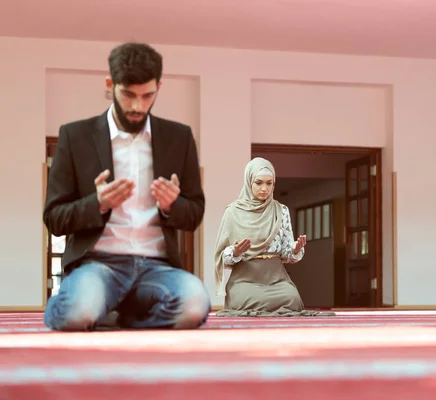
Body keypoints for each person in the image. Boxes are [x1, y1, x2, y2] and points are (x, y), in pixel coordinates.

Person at [43, 42, 210, 331]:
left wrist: (172, 205)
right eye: (128, 95)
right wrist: (97, 203)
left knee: (194, 307)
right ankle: (83, 302)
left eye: (147, 96)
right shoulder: (75, 136)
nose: (137, 106)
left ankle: (124, 317)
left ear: (159, 86)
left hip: (157, 267)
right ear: (111, 84)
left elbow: (194, 213)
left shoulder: (179, 138)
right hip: (98, 265)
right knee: (76, 314)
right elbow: (54, 218)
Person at [213, 157, 334, 317]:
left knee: (292, 299)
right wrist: (234, 253)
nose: (264, 188)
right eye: (259, 182)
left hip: (277, 279)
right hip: (245, 280)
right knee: (250, 301)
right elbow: (222, 258)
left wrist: (295, 249)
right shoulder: (232, 212)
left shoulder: (281, 210)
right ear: (249, 181)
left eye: (269, 183)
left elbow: (286, 254)